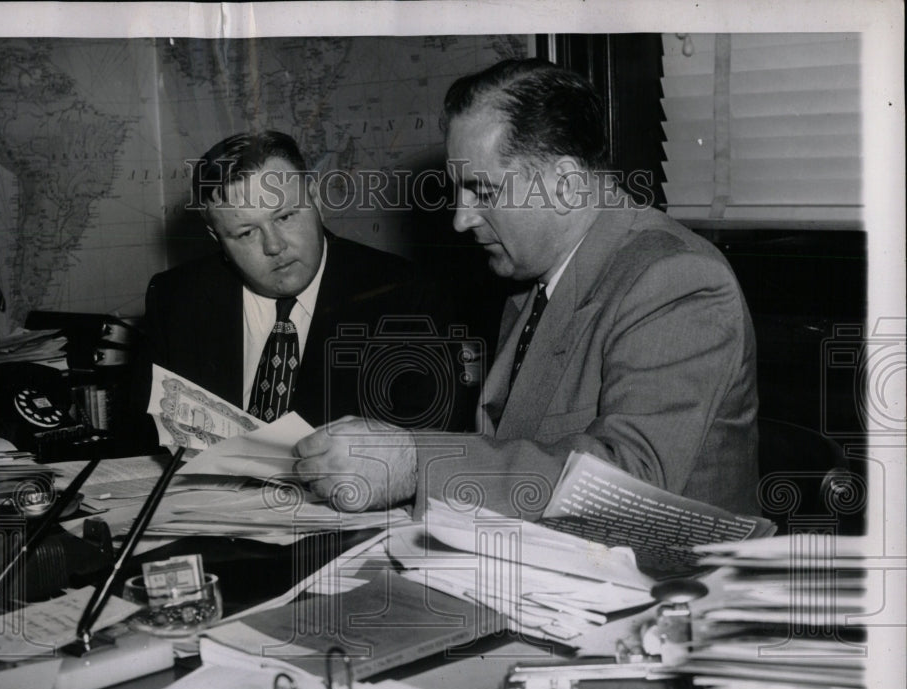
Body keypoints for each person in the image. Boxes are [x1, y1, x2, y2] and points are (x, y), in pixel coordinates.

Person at [294, 58, 760, 519]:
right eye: (458, 192)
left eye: (484, 191)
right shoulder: (533, 279)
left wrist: (418, 464)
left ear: (566, 186)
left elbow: (632, 483)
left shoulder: (676, 278)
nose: (461, 219)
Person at [136, 130, 465, 441]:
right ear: (217, 238)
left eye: (285, 217)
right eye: (246, 233)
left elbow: (429, 443)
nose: (275, 246)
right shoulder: (175, 298)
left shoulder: (407, 296)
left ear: (315, 198)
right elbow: (147, 436)